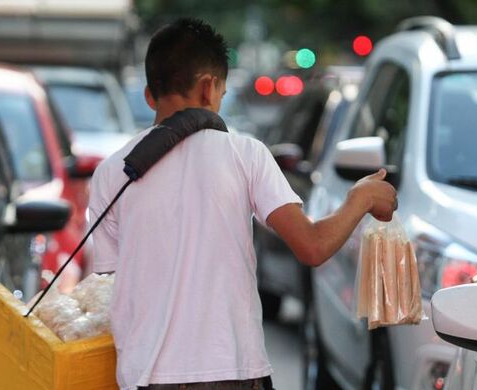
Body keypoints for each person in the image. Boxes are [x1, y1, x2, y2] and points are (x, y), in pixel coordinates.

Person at [88, 18, 397, 390]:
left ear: (149, 96)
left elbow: (108, 289)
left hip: (144, 377)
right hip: (231, 371)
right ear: (209, 88)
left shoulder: (112, 173)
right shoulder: (245, 154)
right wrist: (360, 198)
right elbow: (313, 246)